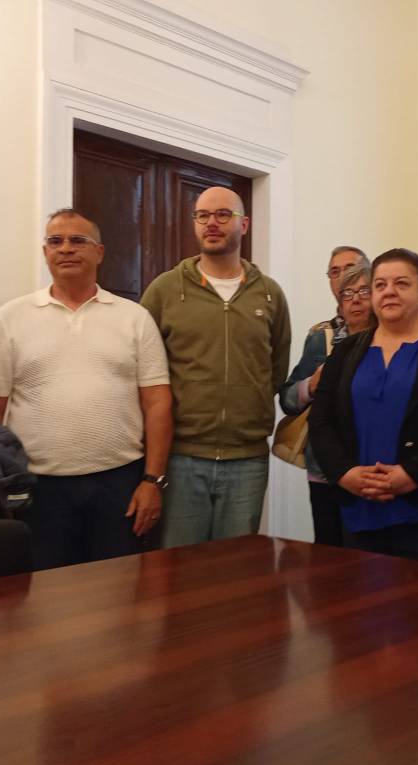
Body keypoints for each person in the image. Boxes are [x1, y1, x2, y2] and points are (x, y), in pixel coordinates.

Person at [0, 209, 172, 569]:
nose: (66, 248)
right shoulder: (10, 318)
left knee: (117, 585)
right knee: (45, 591)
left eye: (77, 240)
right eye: (56, 241)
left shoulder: (134, 318)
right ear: (45, 252)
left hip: (120, 484)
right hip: (38, 488)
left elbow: (158, 403)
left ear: (99, 252)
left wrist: (152, 480)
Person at [309, 248, 418, 567]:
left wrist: (412, 475)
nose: (389, 291)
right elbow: (321, 422)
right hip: (358, 508)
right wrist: (345, 473)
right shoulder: (346, 351)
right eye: (380, 285)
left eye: (401, 283)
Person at [141, 186, 291, 546]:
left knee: (235, 566)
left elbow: (276, 369)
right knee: (180, 567)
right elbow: (143, 370)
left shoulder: (269, 294)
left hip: (247, 460)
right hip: (181, 458)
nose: (212, 223)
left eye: (223, 215)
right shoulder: (165, 290)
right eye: (202, 215)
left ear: (244, 224)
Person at [281, 262, 374, 546]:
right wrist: (311, 385)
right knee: (329, 551)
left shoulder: (391, 342)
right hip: (325, 470)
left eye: (364, 291)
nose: (355, 299)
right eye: (348, 293)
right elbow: (287, 400)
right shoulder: (322, 339)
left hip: (374, 468)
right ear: (339, 303)